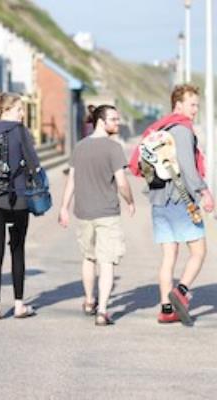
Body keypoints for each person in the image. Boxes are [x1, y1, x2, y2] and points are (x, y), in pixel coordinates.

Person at [129, 84, 214, 326]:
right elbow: (188, 168)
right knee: (199, 252)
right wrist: (205, 193)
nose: (196, 110)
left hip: (159, 201)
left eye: (197, 104)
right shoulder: (183, 130)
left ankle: (166, 309)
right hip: (182, 200)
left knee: (169, 256)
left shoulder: (159, 127)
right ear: (178, 105)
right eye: (192, 104)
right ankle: (181, 292)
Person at [59, 105, 135, 326]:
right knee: (107, 261)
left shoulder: (80, 147)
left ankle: (89, 301)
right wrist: (130, 201)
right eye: (114, 119)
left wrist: (64, 207)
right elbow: (121, 182)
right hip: (107, 213)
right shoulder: (113, 148)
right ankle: (102, 311)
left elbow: (71, 180)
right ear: (101, 121)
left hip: (83, 212)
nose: (117, 123)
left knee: (88, 258)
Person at [0, 92, 40, 321]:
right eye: (18, 109)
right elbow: (34, 164)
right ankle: (19, 304)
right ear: (5, 110)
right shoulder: (19, 131)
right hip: (16, 198)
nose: (22, 113)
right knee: (17, 250)